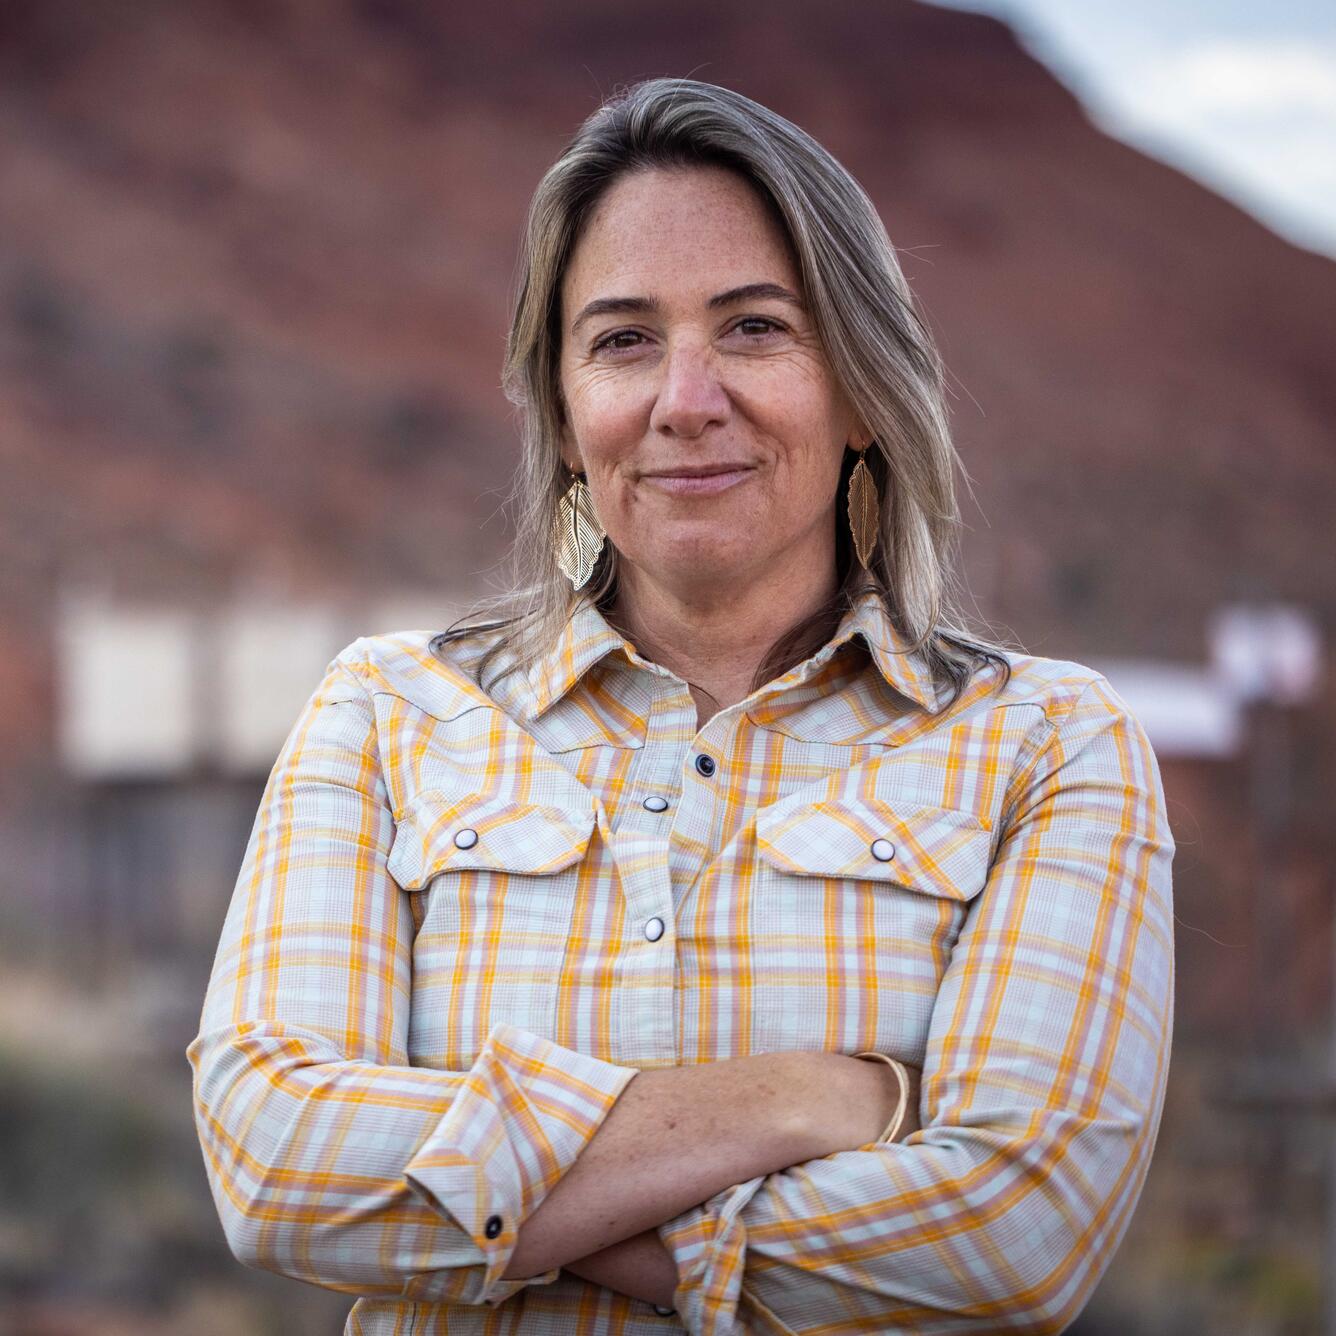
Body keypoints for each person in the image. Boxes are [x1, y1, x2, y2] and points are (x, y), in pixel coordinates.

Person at [186, 77, 1175, 1336]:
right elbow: (275, 1168)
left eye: (756, 328)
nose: (685, 400)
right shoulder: (389, 715)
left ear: (865, 389)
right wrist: (790, 1100)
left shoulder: (1041, 744)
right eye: (622, 339)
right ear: (560, 409)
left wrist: (509, 1213)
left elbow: (1014, 1233)